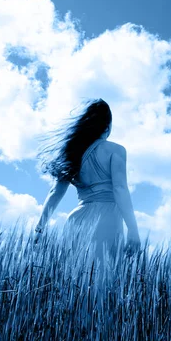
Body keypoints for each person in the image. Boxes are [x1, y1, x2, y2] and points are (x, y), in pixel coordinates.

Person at [33, 98, 141, 261]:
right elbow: (120, 189)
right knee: (103, 280)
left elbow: (55, 192)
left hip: (77, 221)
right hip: (108, 218)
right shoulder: (116, 150)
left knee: (75, 280)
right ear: (107, 125)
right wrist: (133, 229)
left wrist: (39, 228)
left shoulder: (72, 153)